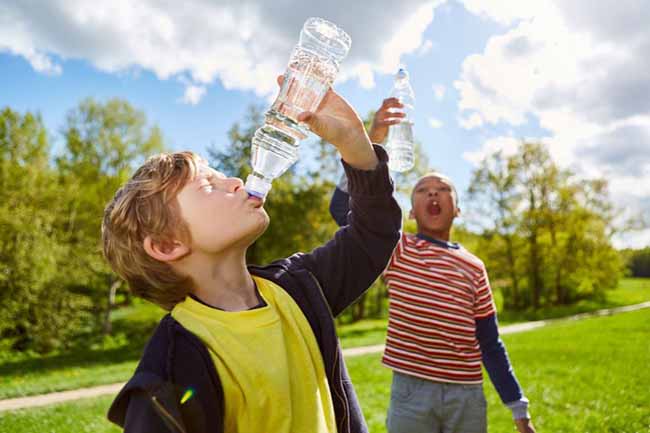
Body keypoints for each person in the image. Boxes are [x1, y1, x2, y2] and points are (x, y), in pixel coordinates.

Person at [102, 78, 402, 433]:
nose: (234, 181)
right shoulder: (173, 364)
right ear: (167, 245)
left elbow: (374, 233)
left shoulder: (299, 289)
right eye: (209, 186)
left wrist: (354, 142)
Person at [329, 98, 536, 433]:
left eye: (443, 190)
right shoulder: (397, 249)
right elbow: (342, 209)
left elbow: (490, 341)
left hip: (467, 393)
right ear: (411, 212)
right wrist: (373, 140)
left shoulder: (474, 267)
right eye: (423, 190)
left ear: (457, 208)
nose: (433, 194)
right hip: (411, 391)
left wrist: (518, 407)